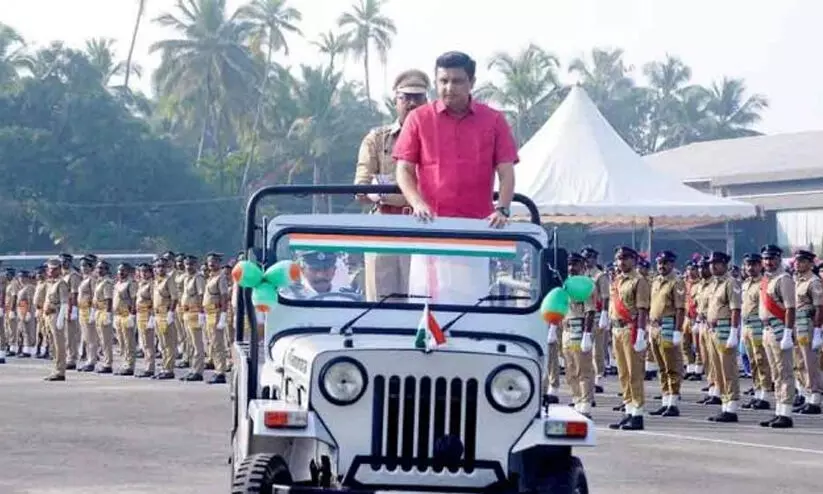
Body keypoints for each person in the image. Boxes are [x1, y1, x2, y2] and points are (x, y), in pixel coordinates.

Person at [393, 51, 519, 304]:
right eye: (443, 81)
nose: (449, 87)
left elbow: (506, 172)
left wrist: (502, 209)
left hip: (474, 233)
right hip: (430, 229)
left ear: (472, 82)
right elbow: (404, 170)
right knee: (424, 308)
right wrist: (417, 202)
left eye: (457, 81)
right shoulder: (418, 119)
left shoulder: (494, 120)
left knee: (470, 310)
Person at [354, 69, 429, 302]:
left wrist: (385, 191)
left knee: (421, 301)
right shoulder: (377, 139)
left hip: (422, 225)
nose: (412, 104)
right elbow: (362, 188)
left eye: (418, 98)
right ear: (395, 101)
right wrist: (406, 195)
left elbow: (436, 189)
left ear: (427, 101)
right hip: (382, 227)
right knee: (380, 303)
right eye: (406, 97)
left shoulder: (435, 140)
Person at [608, 246, 650, 431]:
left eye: (625, 258)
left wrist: (641, 333)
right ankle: (628, 409)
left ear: (634, 260)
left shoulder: (639, 281)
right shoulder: (617, 280)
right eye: (618, 258)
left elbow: (642, 309)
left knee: (634, 374)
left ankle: (638, 414)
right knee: (623, 373)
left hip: (631, 330)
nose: (621, 261)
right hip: (617, 329)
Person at [759, 244, 796, 428]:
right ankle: (779, 410)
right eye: (766, 258)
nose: (768, 262)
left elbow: (790, 308)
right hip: (767, 330)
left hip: (780, 330)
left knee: (785, 372)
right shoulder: (766, 279)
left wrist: (788, 334)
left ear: (779, 259)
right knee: (775, 374)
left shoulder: (784, 279)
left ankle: (787, 413)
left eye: (772, 258)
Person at [704, 251, 742, 423]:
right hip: (712, 329)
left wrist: (734, 332)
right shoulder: (713, 284)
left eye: (717, 263)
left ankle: (731, 407)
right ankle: (724, 405)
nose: (713, 266)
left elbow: (735, 309)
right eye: (711, 263)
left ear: (725, 264)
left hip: (725, 328)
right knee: (717, 369)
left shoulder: (730, 282)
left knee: (728, 369)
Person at [648, 251, 686, 417]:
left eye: (665, 263)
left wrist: (678, 330)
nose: (662, 266)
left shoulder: (676, 282)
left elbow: (680, 309)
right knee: (661, 367)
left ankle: (673, 402)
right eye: (659, 263)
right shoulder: (656, 281)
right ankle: (665, 400)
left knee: (672, 366)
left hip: (668, 326)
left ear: (672, 264)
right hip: (655, 327)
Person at [561, 253, 598, 418]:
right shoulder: (565, 284)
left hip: (579, 329)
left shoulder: (586, 285)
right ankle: (576, 400)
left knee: (584, 369)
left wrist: (587, 335)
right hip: (566, 330)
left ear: (583, 266)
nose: (571, 268)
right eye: (569, 264)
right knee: (570, 370)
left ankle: (585, 404)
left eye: (575, 264)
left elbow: (590, 311)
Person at [740, 253, 773, 410]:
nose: (750, 268)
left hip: (758, 325)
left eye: (754, 264)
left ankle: (765, 395)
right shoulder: (745, 283)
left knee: (761, 360)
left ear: (760, 266)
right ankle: (757, 392)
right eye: (748, 265)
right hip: (746, 325)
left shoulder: (764, 283)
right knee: (752, 361)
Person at [792, 249, 823, 414]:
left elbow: (819, 308)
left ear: (811, 263)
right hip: (798, 324)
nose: (798, 263)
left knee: (811, 363)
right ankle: (806, 395)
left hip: (808, 325)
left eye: (802, 261)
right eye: (797, 261)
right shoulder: (797, 280)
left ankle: (815, 399)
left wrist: (817, 331)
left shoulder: (814, 281)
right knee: (799, 362)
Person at [581, 246, 609, 393]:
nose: (587, 261)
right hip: (583, 315)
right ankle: (588, 376)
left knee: (597, 349)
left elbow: (605, 296)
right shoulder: (581, 274)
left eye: (590, 258)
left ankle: (599, 377)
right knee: (584, 349)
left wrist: (604, 314)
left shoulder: (600, 275)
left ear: (595, 259)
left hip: (597, 315)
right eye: (585, 258)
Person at [282, 251, 360, 299]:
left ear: (334, 270)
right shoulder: (289, 298)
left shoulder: (346, 298)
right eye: (315, 269)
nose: (321, 275)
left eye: (326, 269)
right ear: (302, 270)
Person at [203, 252, 230, 384]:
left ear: (219, 263)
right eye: (209, 261)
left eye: (213, 261)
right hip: (209, 314)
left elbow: (224, 297)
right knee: (212, 343)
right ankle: (216, 369)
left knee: (218, 344)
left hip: (217, 313)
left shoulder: (221, 277)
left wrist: (224, 315)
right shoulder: (210, 277)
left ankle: (221, 372)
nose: (211, 264)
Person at [155, 256, 183, 380]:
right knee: (162, 343)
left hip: (166, 314)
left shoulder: (169, 280)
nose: (160, 269)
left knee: (169, 343)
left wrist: (171, 313)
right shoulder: (157, 281)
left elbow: (174, 297)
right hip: (157, 314)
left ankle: (169, 369)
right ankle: (164, 367)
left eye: (162, 266)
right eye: (158, 266)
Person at [43, 258, 70, 381]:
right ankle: (55, 368)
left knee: (59, 344)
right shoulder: (50, 283)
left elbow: (64, 303)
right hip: (48, 316)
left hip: (56, 315)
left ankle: (60, 371)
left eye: (54, 269)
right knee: (52, 344)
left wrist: (60, 319)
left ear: (59, 269)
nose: (51, 271)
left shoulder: (61, 283)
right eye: (49, 269)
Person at [92, 260, 115, 374]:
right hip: (98, 311)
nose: (99, 270)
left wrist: (108, 314)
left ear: (107, 270)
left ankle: (108, 363)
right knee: (101, 339)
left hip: (104, 311)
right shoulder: (99, 281)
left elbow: (109, 299)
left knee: (106, 340)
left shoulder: (106, 282)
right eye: (98, 268)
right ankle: (105, 361)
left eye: (102, 268)